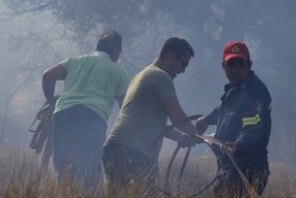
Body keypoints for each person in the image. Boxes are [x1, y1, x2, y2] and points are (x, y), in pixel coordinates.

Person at [102, 37, 197, 192]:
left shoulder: (143, 74)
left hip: (115, 149)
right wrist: (195, 133)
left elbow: (150, 123)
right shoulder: (160, 76)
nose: (183, 70)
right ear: (171, 57)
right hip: (132, 153)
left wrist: (179, 137)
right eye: (183, 64)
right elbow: (178, 117)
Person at [41, 30, 130, 189]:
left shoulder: (75, 60)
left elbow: (48, 76)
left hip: (63, 116)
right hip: (92, 118)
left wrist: (51, 101)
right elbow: (126, 107)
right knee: (88, 170)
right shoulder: (118, 73)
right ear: (116, 51)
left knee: (63, 167)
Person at [196, 41, 272, 197]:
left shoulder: (255, 92)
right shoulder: (235, 89)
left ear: (249, 64)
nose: (235, 70)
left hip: (246, 170)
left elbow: (253, 129)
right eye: (230, 65)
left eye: (240, 64)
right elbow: (224, 111)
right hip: (230, 166)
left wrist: (237, 145)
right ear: (223, 66)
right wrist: (206, 120)